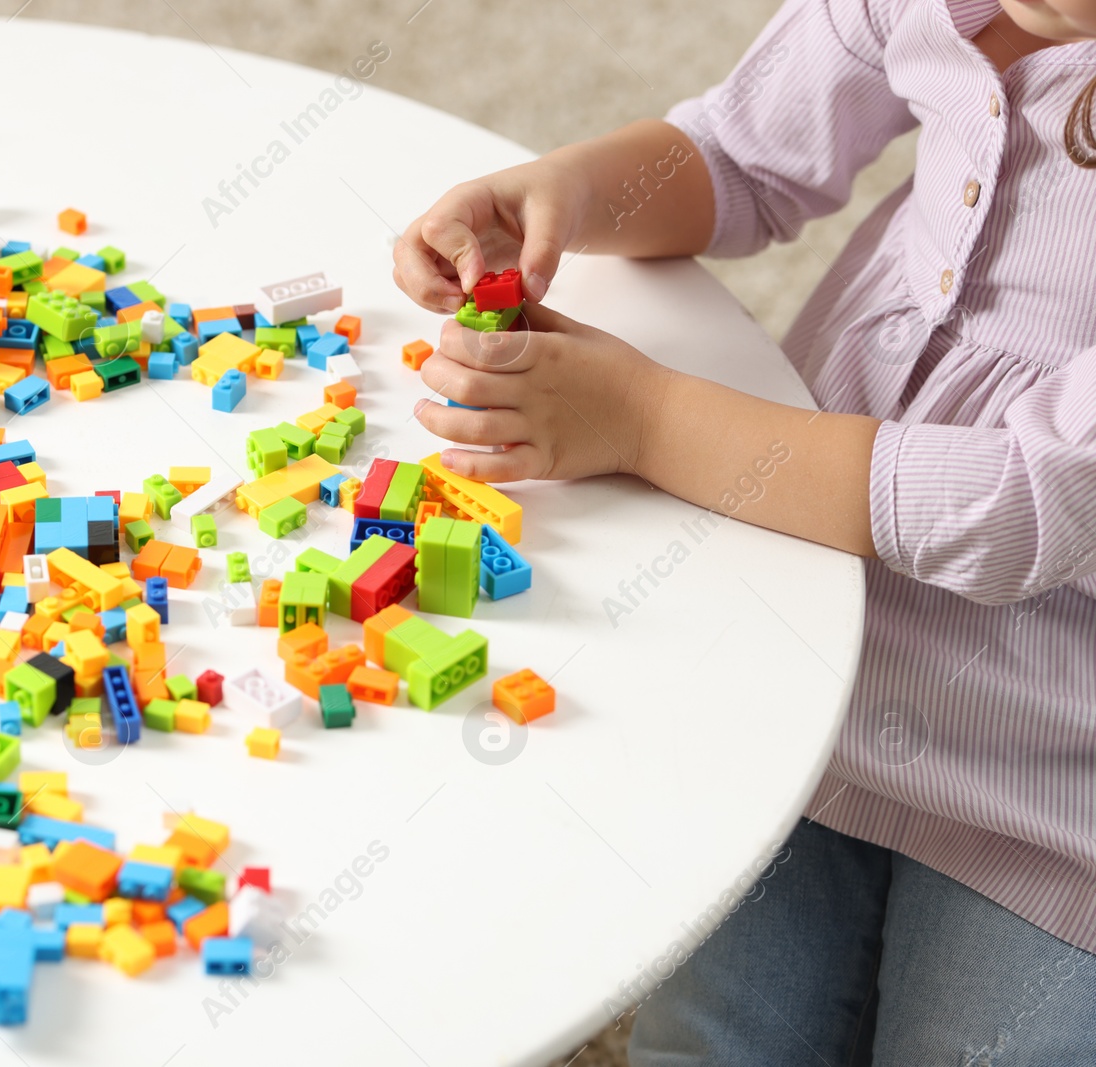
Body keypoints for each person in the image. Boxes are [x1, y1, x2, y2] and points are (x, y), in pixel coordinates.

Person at [393, 0, 1096, 1061]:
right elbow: (738, 154)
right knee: (712, 1039)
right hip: (805, 667)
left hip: (1051, 780)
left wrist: (643, 418)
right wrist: (565, 195)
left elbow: (1019, 501)